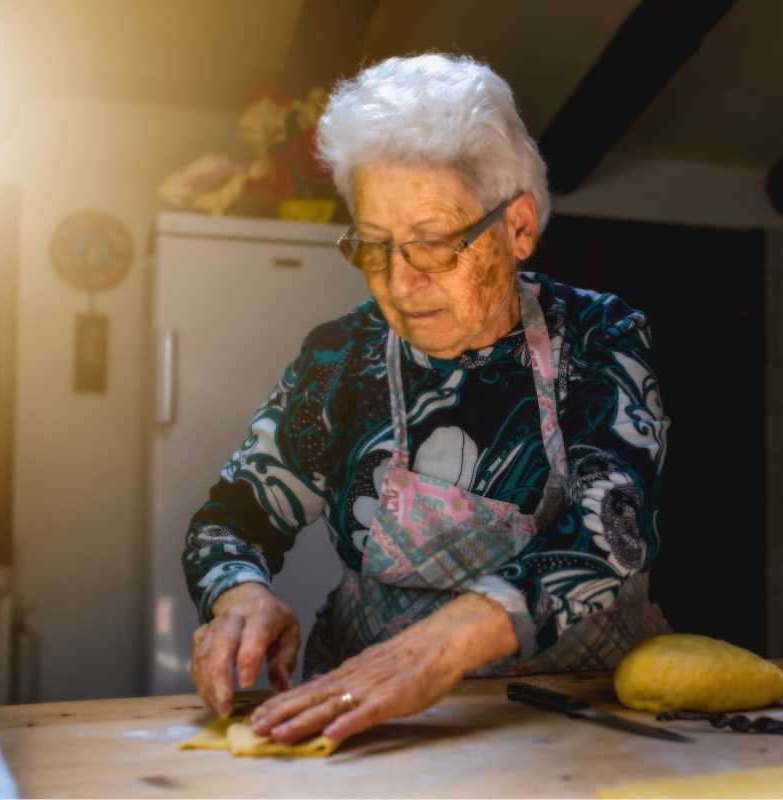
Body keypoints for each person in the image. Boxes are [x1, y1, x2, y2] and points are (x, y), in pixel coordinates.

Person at [183, 52, 671, 748]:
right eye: (374, 247)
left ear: (519, 227)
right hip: (372, 727)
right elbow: (231, 516)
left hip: (584, 724)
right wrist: (239, 594)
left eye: (435, 243)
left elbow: (612, 527)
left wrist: (430, 652)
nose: (399, 283)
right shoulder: (340, 358)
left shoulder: (599, 338)